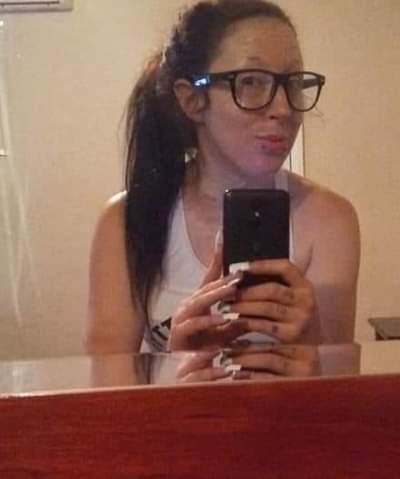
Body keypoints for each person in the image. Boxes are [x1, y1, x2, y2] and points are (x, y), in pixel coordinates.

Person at [86, 0, 360, 359]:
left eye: (292, 83)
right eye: (250, 82)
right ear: (192, 100)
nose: (283, 109)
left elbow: (340, 386)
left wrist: (313, 352)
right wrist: (178, 366)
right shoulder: (126, 221)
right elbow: (105, 385)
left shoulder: (329, 220)